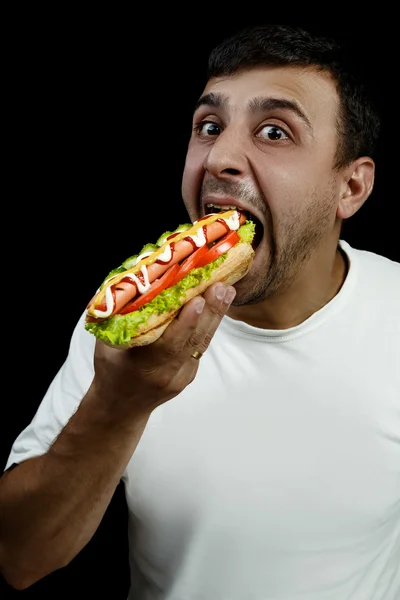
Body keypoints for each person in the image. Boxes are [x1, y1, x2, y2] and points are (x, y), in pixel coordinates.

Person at [0, 23, 399, 600]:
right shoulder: (120, 322)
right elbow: (19, 556)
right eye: (209, 127)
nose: (220, 157)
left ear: (351, 189)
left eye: (273, 131)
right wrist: (119, 404)